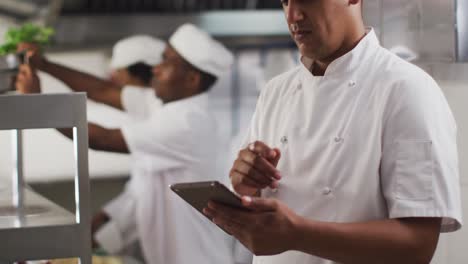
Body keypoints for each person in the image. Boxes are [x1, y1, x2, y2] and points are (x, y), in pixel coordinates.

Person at [203, 1, 463, 264]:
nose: (293, 15)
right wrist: (248, 187)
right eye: (284, 1)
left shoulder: (408, 89)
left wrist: (297, 234)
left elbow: (418, 246)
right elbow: (264, 203)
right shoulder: (275, 91)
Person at [16, 23, 236, 264]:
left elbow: (102, 139)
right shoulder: (165, 104)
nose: (156, 69)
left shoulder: (188, 121)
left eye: (166, 63)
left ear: (192, 79)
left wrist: (39, 104)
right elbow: (102, 90)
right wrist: (45, 65)